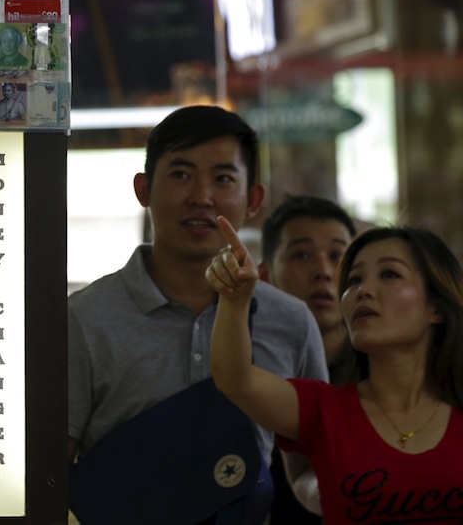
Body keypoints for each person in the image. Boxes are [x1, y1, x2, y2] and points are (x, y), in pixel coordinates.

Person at [68, 105, 329, 523]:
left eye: (223, 179)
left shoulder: (291, 321)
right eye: (180, 175)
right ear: (143, 189)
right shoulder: (83, 319)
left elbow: (318, 463)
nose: (202, 197)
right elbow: (48, 473)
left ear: (254, 198)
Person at [207, 218, 463, 524]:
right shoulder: (323, 409)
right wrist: (235, 301)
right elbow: (235, 379)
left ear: (436, 307)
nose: (363, 290)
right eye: (354, 280)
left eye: (390, 274)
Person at [259, 195, 358, 523]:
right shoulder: (248, 376)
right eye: (301, 255)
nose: (324, 272)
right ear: (265, 276)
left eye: (338, 255)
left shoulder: (387, 373)